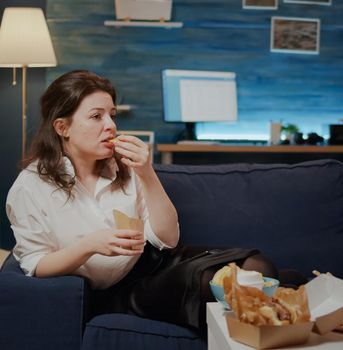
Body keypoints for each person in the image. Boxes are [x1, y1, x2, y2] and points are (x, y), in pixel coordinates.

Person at [5, 70, 277, 335]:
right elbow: (35, 264)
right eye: (96, 117)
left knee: (256, 266)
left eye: (112, 115)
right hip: (120, 291)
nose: (110, 125)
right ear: (62, 127)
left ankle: (292, 298)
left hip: (155, 262)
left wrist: (146, 172)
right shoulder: (31, 186)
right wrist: (90, 245)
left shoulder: (124, 167)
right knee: (212, 285)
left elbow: (167, 239)